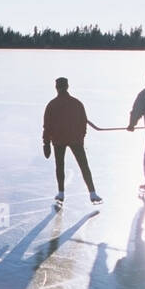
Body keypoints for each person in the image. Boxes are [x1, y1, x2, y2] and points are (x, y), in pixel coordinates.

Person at [43, 77, 102, 205]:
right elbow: (83, 123)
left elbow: (47, 126)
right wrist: (81, 136)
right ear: (67, 86)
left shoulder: (52, 105)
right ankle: (92, 193)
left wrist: (46, 143)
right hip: (75, 139)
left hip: (59, 140)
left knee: (60, 166)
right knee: (84, 166)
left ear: (57, 87)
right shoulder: (76, 103)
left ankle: (61, 193)